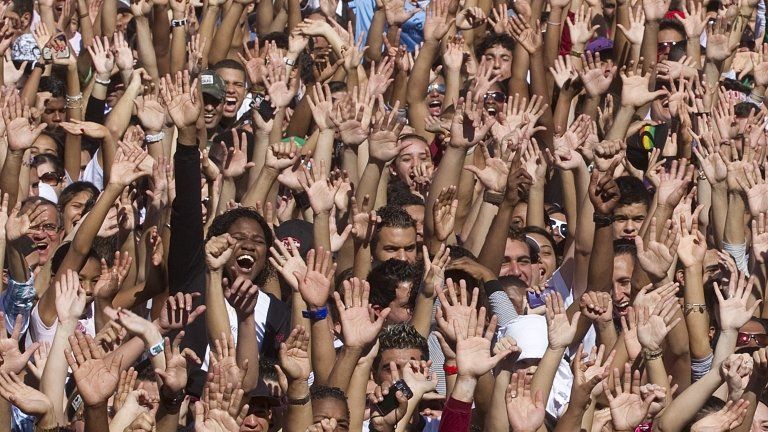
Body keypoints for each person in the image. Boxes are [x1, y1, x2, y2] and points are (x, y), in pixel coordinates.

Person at [1, 0, 768, 430]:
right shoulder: (251, 308)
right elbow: (295, 340)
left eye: (251, 243)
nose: (398, 267)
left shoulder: (484, 319)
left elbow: (428, 295)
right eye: (230, 244)